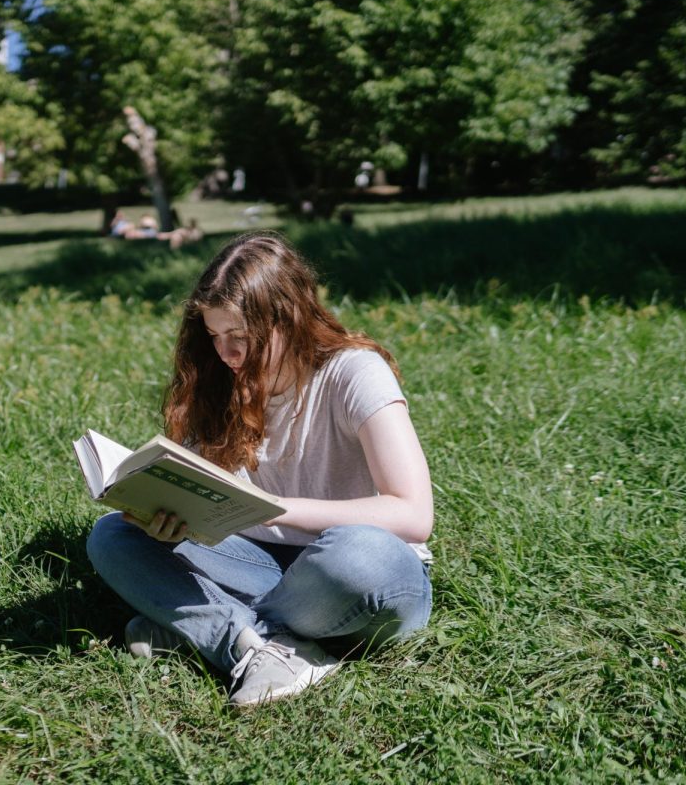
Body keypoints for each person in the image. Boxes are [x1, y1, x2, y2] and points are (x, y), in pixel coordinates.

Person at [86, 230, 433, 707]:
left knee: (362, 555)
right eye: (214, 337)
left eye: (240, 338)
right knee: (112, 537)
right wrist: (172, 524)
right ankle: (260, 645)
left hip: (353, 575)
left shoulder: (354, 372)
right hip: (259, 563)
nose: (225, 354)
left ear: (288, 319)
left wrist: (278, 510)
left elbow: (414, 515)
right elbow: (207, 500)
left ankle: (204, 627)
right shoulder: (217, 383)